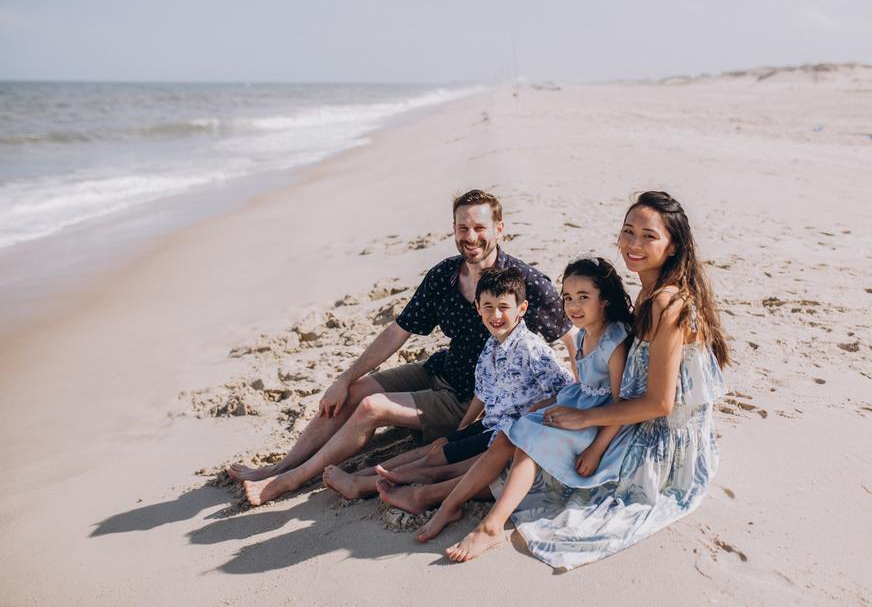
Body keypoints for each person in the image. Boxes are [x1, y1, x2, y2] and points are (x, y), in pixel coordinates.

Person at [227, 189, 575, 506]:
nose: (471, 237)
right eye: (462, 228)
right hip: (440, 368)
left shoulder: (525, 283)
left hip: (467, 399)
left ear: (499, 229)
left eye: (480, 228)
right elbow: (399, 331)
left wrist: (585, 406)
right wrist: (344, 378)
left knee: (370, 406)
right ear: (454, 229)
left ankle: (291, 480)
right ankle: (280, 465)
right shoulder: (445, 275)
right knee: (351, 393)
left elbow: (570, 338)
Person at [441, 191, 729, 567]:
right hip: (635, 415)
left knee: (542, 459)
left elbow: (661, 403)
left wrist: (585, 418)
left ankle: (467, 512)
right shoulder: (649, 293)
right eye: (628, 232)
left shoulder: (665, 302)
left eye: (649, 236)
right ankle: (441, 494)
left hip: (665, 439)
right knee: (529, 439)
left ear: (673, 245)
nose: (633, 244)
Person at [399, 256, 634, 547]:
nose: (573, 306)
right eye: (568, 297)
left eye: (583, 297)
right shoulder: (585, 333)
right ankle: (449, 506)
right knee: (506, 437)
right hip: (578, 403)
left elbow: (621, 402)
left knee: (525, 443)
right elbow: (576, 384)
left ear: (605, 300)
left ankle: (492, 525)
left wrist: (597, 449)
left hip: (599, 420)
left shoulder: (614, 341)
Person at [323, 267, 574, 500]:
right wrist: (460, 430)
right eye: (488, 307)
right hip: (491, 423)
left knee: (434, 461)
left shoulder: (531, 348)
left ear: (521, 308)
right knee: (435, 447)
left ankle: (362, 486)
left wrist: (539, 408)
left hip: (508, 432)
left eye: (503, 307)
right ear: (477, 307)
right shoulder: (491, 346)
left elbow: (566, 387)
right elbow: (483, 392)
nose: (495, 315)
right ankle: (362, 476)